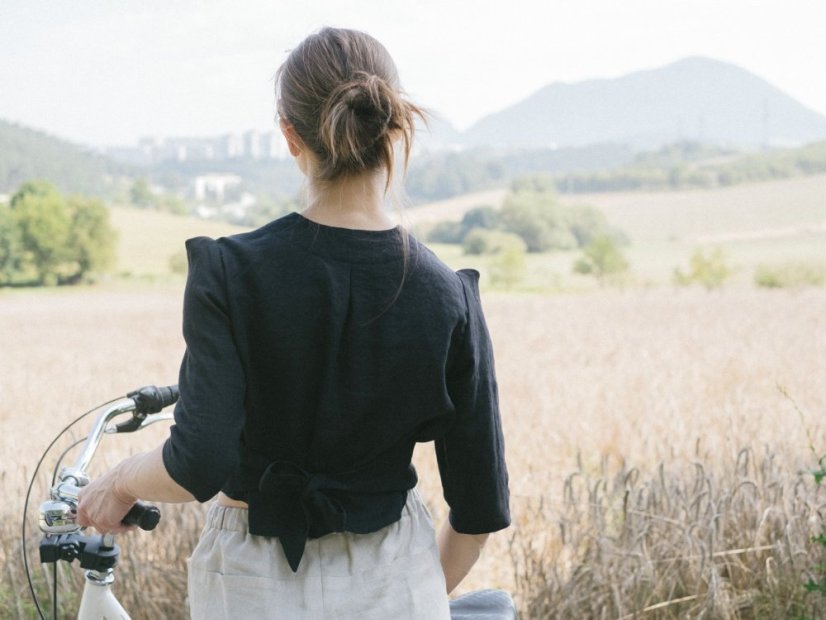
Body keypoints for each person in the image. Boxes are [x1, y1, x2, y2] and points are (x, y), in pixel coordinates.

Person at [77, 27, 509, 619]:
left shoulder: (231, 273)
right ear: (394, 128)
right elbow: (479, 508)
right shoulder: (449, 297)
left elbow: (197, 461)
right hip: (397, 579)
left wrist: (121, 480)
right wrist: (409, 593)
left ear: (289, 136)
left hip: (250, 582)